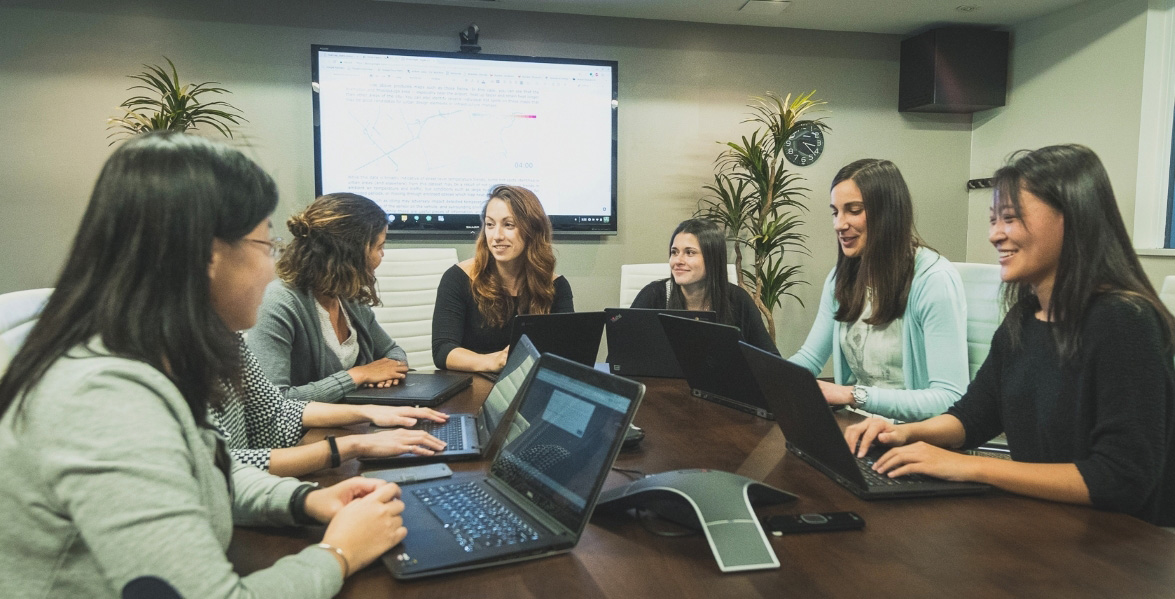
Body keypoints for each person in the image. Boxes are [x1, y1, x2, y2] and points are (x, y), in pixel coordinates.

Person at [0, 132, 411, 597]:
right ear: (208, 256)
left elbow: (209, 471)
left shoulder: (165, 350)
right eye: (266, 244)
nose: (273, 266)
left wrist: (307, 499)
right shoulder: (104, 400)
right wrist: (337, 553)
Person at [845, 144, 1175, 526]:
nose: (995, 235)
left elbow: (1120, 478)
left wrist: (972, 468)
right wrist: (903, 434)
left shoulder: (1124, 321)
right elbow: (974, 416)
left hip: (1118, 550)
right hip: (1044, 526)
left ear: (1071, 217)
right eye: (993, 220)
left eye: (1011, 218)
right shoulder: (1024, 315)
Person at [788, 159, 970, 422]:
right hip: (858, 425)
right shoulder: (841, 278)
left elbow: (949, 397)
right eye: (835, 212)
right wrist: (766, 382)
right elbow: (810, 358)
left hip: (913, 435)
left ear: (888, 213)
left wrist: (853, 395)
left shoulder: (933, 280)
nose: (839, 224)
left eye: (853, 210)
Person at [248, 193, 412, 403]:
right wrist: (358, 376)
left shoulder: (347, 295)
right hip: (308, 433)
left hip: (355, 419)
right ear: (351, 253)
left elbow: (392, 351)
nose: (383, 255)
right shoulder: (278, 302)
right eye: (379, 247)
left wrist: (389, 371)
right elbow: (273, 402)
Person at [212, 334, 447, 477]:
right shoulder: (177, 362)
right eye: (265, 250)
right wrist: (353, 445)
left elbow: (275, 413)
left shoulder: (227, 339)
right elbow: (217, 467)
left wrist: (367, 412)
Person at [432, 185, 574, 372]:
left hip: (530, 384)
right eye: (490, 225)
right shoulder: (458, 278)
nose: (497, 236)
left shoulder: (556, 286)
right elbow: (443, 351)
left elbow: (569, 353)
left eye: (508, 225)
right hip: (472, 383)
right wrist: (491, 362)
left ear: (532, 230)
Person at [630, 218, 776, 353]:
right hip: (661, 382)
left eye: (689, 253)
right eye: (674, 252)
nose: (678, 261)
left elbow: (770, 362)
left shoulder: (738, 300)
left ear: (712, 258)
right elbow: (620, 357)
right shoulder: (653, 296)